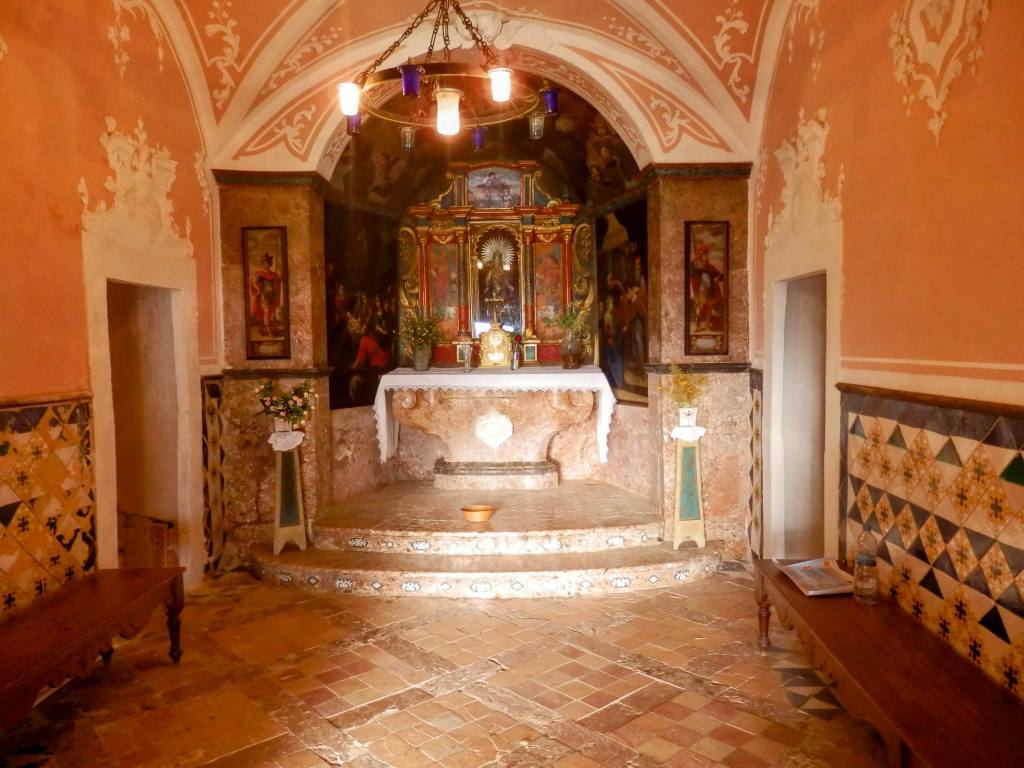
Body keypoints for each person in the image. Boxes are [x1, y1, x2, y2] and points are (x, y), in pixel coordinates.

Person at [690, 243, 725, 331]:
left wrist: (717, 278)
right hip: (701, 291)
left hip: (710, 291)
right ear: (701, 257)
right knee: (699, 309)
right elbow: (691, 269)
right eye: (704, 256)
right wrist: (694, 260)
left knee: (709, 308)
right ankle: (698, 326)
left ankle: (706, 324)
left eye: (706, 256)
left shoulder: (710, 267)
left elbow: (721, 275)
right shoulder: (697, 267)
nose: (706, 257)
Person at [249, 252, 282, 336]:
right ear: (262, 264)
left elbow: (278, 282)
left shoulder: (273, 274)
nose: (265, 265)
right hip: (264, 296)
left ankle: (261, 328)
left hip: (272, 296)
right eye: (264, 263)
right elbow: (253, 282)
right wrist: (258, 289)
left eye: (267, 263)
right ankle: (269, 331)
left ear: (269, 264)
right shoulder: (260, 274)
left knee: (269, 313)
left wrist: (278, 278)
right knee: (266, 312)